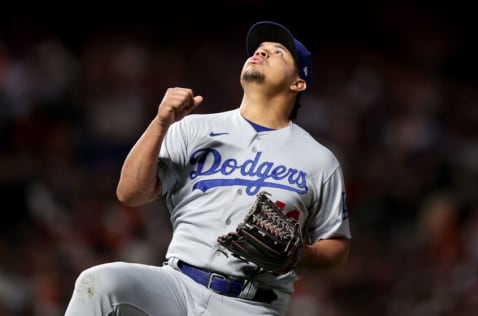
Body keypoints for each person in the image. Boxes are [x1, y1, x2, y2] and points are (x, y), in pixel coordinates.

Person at [64, 20, 351, 316]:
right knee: (100, 283)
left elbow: (337, 248)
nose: (262, 53)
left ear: (297, 83)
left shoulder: (319, 160)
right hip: (177, 284)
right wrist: (161, 122)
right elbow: (130, 193)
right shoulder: (193, 128)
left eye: (277, 52)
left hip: (251, 304)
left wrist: (298, 255)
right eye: (259, 49)